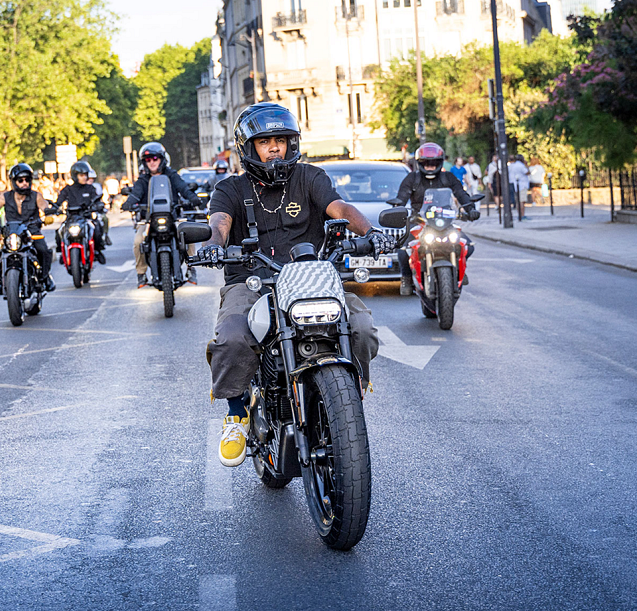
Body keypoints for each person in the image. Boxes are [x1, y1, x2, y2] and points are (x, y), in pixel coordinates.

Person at [194, 103, 395, 467]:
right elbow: (219, 223)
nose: (274, 148)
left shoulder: (310, 178)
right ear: (248, 147)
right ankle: (237, 413)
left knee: (361, 326)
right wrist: (211, 247)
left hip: (311, 278)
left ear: (292, 143)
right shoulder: (230, 188)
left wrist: (372, 233)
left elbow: (340, 209)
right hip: (253, 279)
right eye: (265, 141)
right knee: (233, 334)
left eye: (281, 140)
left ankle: (347, 395)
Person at [391, 142, 479, 296]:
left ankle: (460, 270)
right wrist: (397, 209)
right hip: (419, 221)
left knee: (468, 246)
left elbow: (461, 193)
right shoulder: (412, 179)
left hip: (445, 221)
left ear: (440, 163)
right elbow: (402, 197)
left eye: (434, 163)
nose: (430, 166)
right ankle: (406, 278)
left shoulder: (448, 177)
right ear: (419, 163)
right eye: (426, 163)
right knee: (403, 251)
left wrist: (470, 209)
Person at [121, 142, 201, 288]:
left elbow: (184, 189)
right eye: (148, 160)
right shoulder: (142, 179)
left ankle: (191, 268)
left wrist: (193, 198)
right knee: (138, 241)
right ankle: (141, 274)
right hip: (149, 220)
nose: (151, 162)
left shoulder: (172, 175)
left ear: (162, 159)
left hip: (173, 217)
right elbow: (136, 194)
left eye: (155, 158)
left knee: (187, 236)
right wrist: (128, 203)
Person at [0, 163, 57, 291]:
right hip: (11, 232)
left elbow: (44, 205)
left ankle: (45, 277)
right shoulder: (5, 196)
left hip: (31, 230)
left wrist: (48, 213)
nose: (24, 183)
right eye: (20, 180)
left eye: (27, 180)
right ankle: (2, 279)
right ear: (14, 181)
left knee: (43, 250)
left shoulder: (36, 196)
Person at [55, 160, 106, 264]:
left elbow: (97, 199)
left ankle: (97, 251)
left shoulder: (90, 188)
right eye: (81, 175)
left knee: (96, 229)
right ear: (75, 176)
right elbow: (59, 201)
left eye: (85, 175)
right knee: (59, 231)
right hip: (71, 218)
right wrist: (54, 208)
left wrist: (99, 205)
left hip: (86, 217)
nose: (84, 178)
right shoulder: (68, 189)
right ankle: (61, 252)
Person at [508, 154, 531, 221]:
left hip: (516, 185)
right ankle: (523, 215)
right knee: (522, 201)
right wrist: (526, 165)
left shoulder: (514, 165)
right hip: (523, 185)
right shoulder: (521, 166)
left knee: (518, 201)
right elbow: (527, 172)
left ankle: (520, 215)